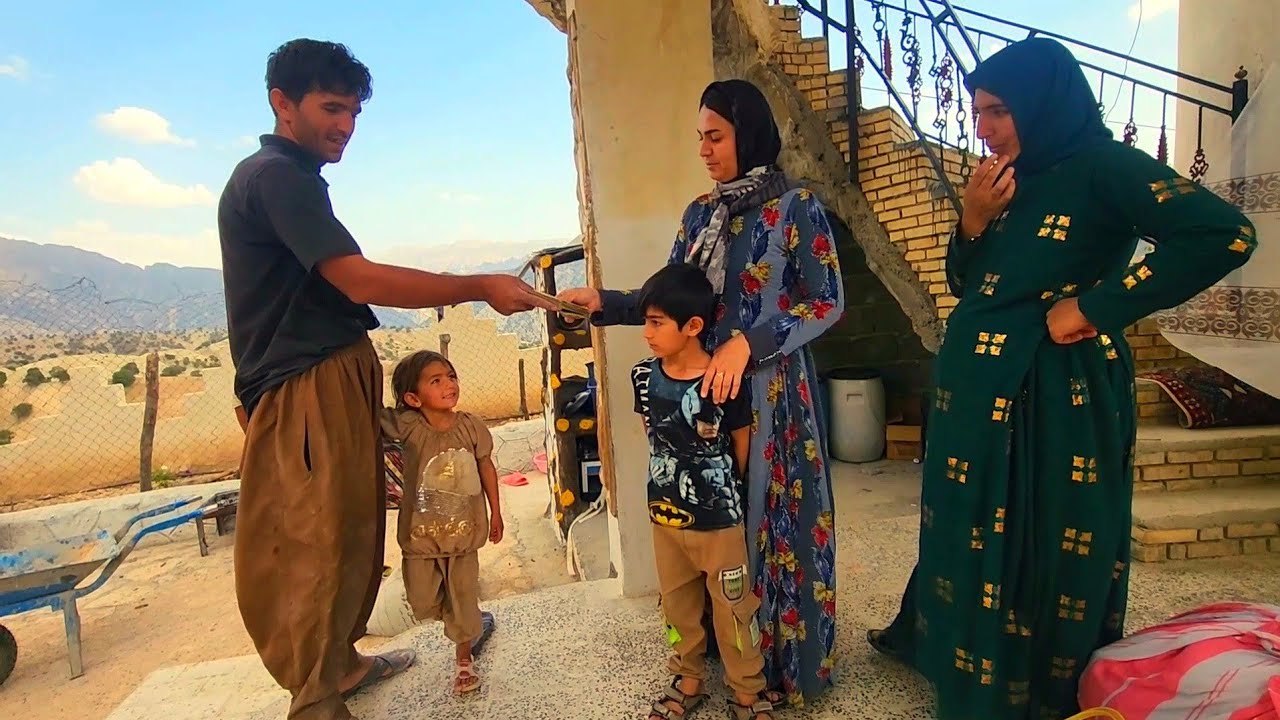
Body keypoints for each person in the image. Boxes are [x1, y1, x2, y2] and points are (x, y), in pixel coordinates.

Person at [866, 38, 1257, 720]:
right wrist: (973, 220)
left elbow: (1224, 233)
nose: (979, 129)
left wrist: (1098, 307)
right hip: (975, 397)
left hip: (1052, 396)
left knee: (1039, 537)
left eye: (995, 112)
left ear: (1042, 105)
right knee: (967, 527)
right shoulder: (1005, 176)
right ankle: (952, 652)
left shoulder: (1104, 167)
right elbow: (970, 285)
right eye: (976, 112)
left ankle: (1026, 684)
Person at [217, 38, 553, 720]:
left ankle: (340, 664)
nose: (344, 125)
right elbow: (356, 276)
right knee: (313, 545)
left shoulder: (296, 178)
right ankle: (315, 700)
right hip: (303, 389)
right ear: (282, 103)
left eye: (353, 113)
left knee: (352, 533)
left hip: (330, 380)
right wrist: (477, 285)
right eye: (330, 108)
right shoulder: (274, 177)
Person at [559, 79, 843, 707]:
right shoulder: (701, 215)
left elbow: (826, 301)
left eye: (715, 137)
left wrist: (750, 343)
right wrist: (605, 302)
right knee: (714, 527)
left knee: (770, 520)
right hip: (701, 402)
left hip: (772, 399)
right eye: (700, 139)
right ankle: (720, 648)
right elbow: (676, 296)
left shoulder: (796, 208)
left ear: (749, 135)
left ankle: (780, 664)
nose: (705, 151)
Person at [630, 263, 778, 720]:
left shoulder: (722, 381)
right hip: (665, 517)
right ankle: (687, 678)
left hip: (718, 523)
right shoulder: (642, 377)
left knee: (735, 609)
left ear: (692, 326)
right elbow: (652, 435)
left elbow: (740, 444)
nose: (647, 334)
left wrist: (722, 492)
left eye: (657, 323)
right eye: (646, 322)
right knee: (677, 608)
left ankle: (747, 693)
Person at [379, 350, 503, 695]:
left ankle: (464, 658)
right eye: (436, 380)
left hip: (465, 535)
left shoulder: (471, 426)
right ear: (412, 398)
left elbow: (486, 468)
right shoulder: (407, 425)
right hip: (421, 539)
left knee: (462, 599)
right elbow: (368, 415)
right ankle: (465, 622)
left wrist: (496, 513)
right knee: (424, 601)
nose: (449, 384)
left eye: (451, 377)